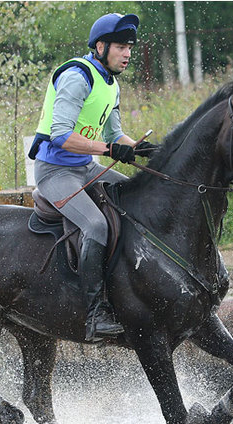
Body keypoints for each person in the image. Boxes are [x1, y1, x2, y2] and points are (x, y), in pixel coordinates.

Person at [29, 13, 158, 342]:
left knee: (135, 197)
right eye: (120, 47)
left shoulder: (111, 84)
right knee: (96, 225)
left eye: (129, 47)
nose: (127, 53)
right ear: (100, 47)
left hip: (84, 167)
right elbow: (60, 135)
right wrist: (109, 150)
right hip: (56, 171)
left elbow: (119, 136)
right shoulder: (78, 76)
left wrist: (151, 151)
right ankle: (94, 314)